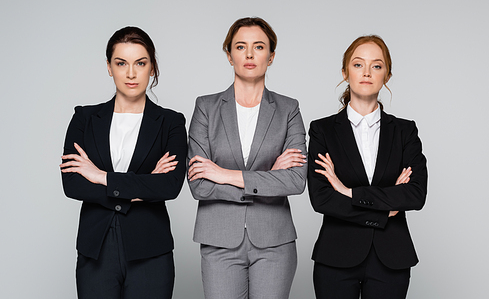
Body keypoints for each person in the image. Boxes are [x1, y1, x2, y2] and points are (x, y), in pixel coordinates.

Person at [60, 26, 187, 299]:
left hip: (150, 250)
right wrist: (144, 185)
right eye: (121, 63)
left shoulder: (171, 122)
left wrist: (101, 176)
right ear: (109, 67)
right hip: (96, 249)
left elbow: (169, 187)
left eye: (140, 63)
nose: (131, 73)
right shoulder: (84, 118)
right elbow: (73, 184)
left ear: (152, 67)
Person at [187, 17, 307, 299]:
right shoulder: (205, 108)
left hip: (274, 241)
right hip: (219, 239)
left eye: (259, 47)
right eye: (241, 46)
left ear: (271, 56)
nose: (250, 54)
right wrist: (269, 176)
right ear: (229, 55)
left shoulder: (289, 109)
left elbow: (295, 180)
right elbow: (199, 185)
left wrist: (224, 173)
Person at [308, 35, 427, 299]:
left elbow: (415, 194)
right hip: (335, 257)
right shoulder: (323, 130)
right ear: (345, 72)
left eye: (376, 65)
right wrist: (385, 209)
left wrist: (348, 191)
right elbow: (322, 198)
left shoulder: (405, 131)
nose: (367, 72)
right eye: (358, 64)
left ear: (387, 75)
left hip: (392, 258)